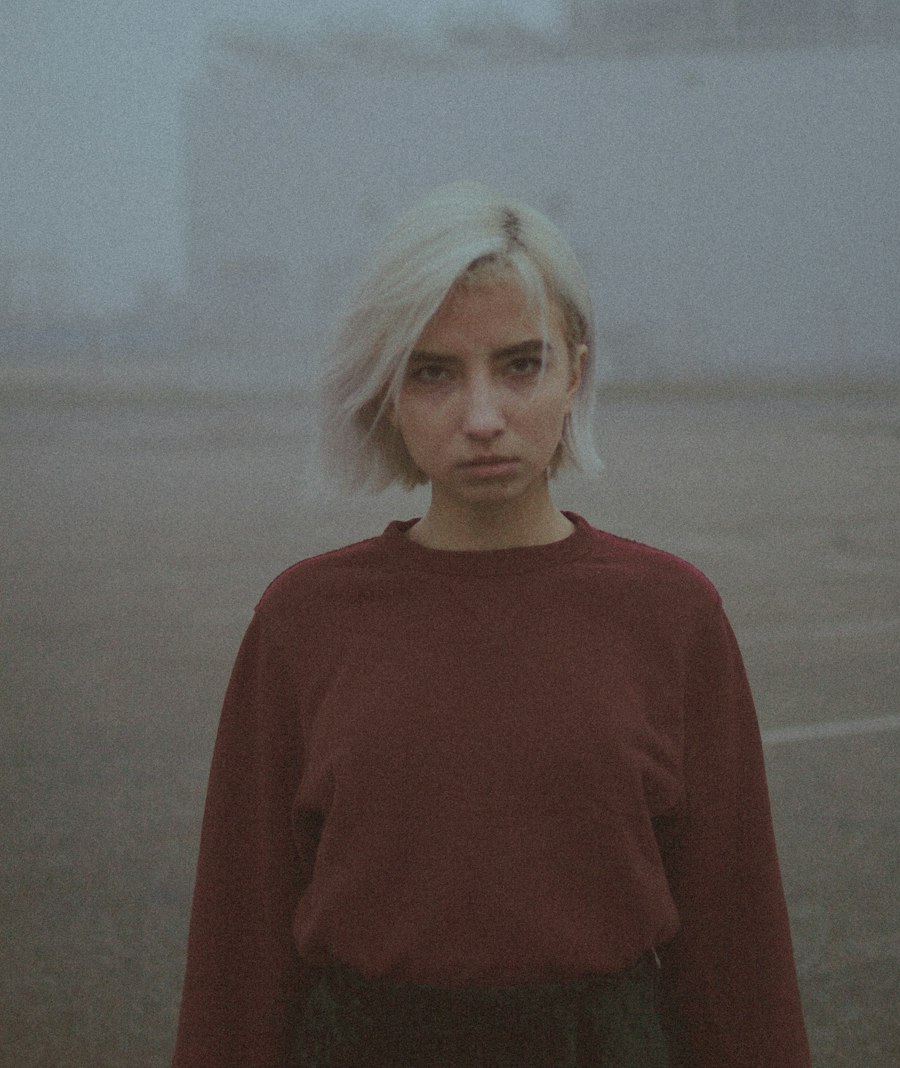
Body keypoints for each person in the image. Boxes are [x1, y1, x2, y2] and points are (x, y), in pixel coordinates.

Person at [172, 182, 811, 1068]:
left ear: (575, 372)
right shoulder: (302, 621)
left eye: (520, 365)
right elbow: (237, 955)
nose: (482, 418)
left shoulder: (672, 615)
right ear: (386, 389)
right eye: (434, 371)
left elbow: (739, 955)